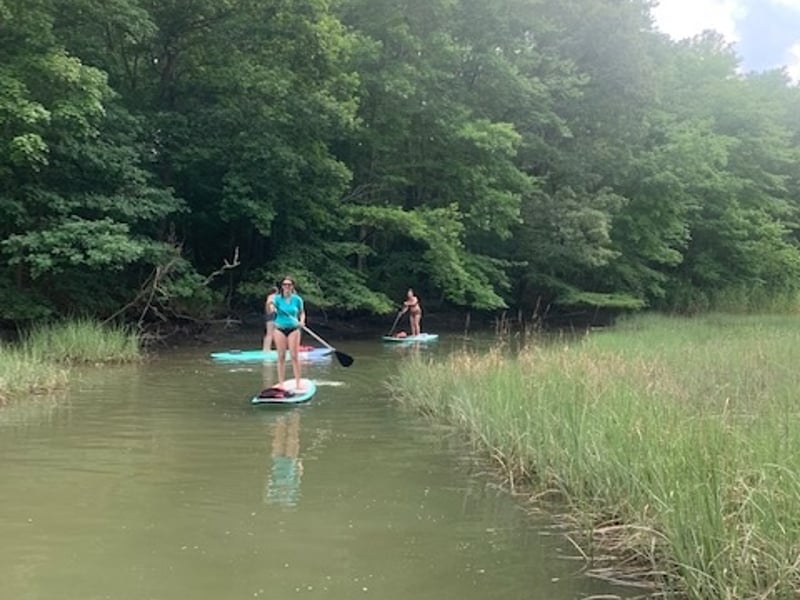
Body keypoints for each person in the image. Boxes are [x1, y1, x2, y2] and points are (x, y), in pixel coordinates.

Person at [273, 276, 305, 390]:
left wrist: (302, 321)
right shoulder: (277, 299)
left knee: (294, 356)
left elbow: (302, 312)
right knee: (281, 356)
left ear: (292, 287)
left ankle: (298, 383)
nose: (287, 286)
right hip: (279, 329)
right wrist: (271, 306)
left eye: (289, 285)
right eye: (285, 284)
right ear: (282, 286)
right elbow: (271, 308)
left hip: (294, 329)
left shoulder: (297, 299)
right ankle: (281, 383)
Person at [262, 285, 278, 352]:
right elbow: (270, 304)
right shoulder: (273, 297)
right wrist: (273, 309)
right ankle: (267, 349)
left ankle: (266, 348)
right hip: (272, 315)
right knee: (270, 333)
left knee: (272, 333)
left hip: (269, 316)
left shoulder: (269, 296)